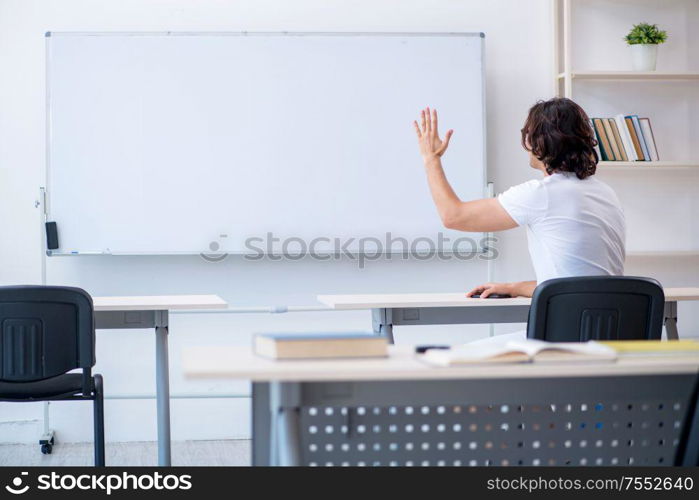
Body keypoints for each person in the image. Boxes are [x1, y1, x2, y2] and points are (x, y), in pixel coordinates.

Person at [414, 97, 625, 298]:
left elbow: (453, 216)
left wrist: (431, 159)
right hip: (614, 332)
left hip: (566, 334)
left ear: (538, 142)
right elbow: (582, 285)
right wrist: (515, 287)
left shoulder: (541, 195)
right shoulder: (606, 193)